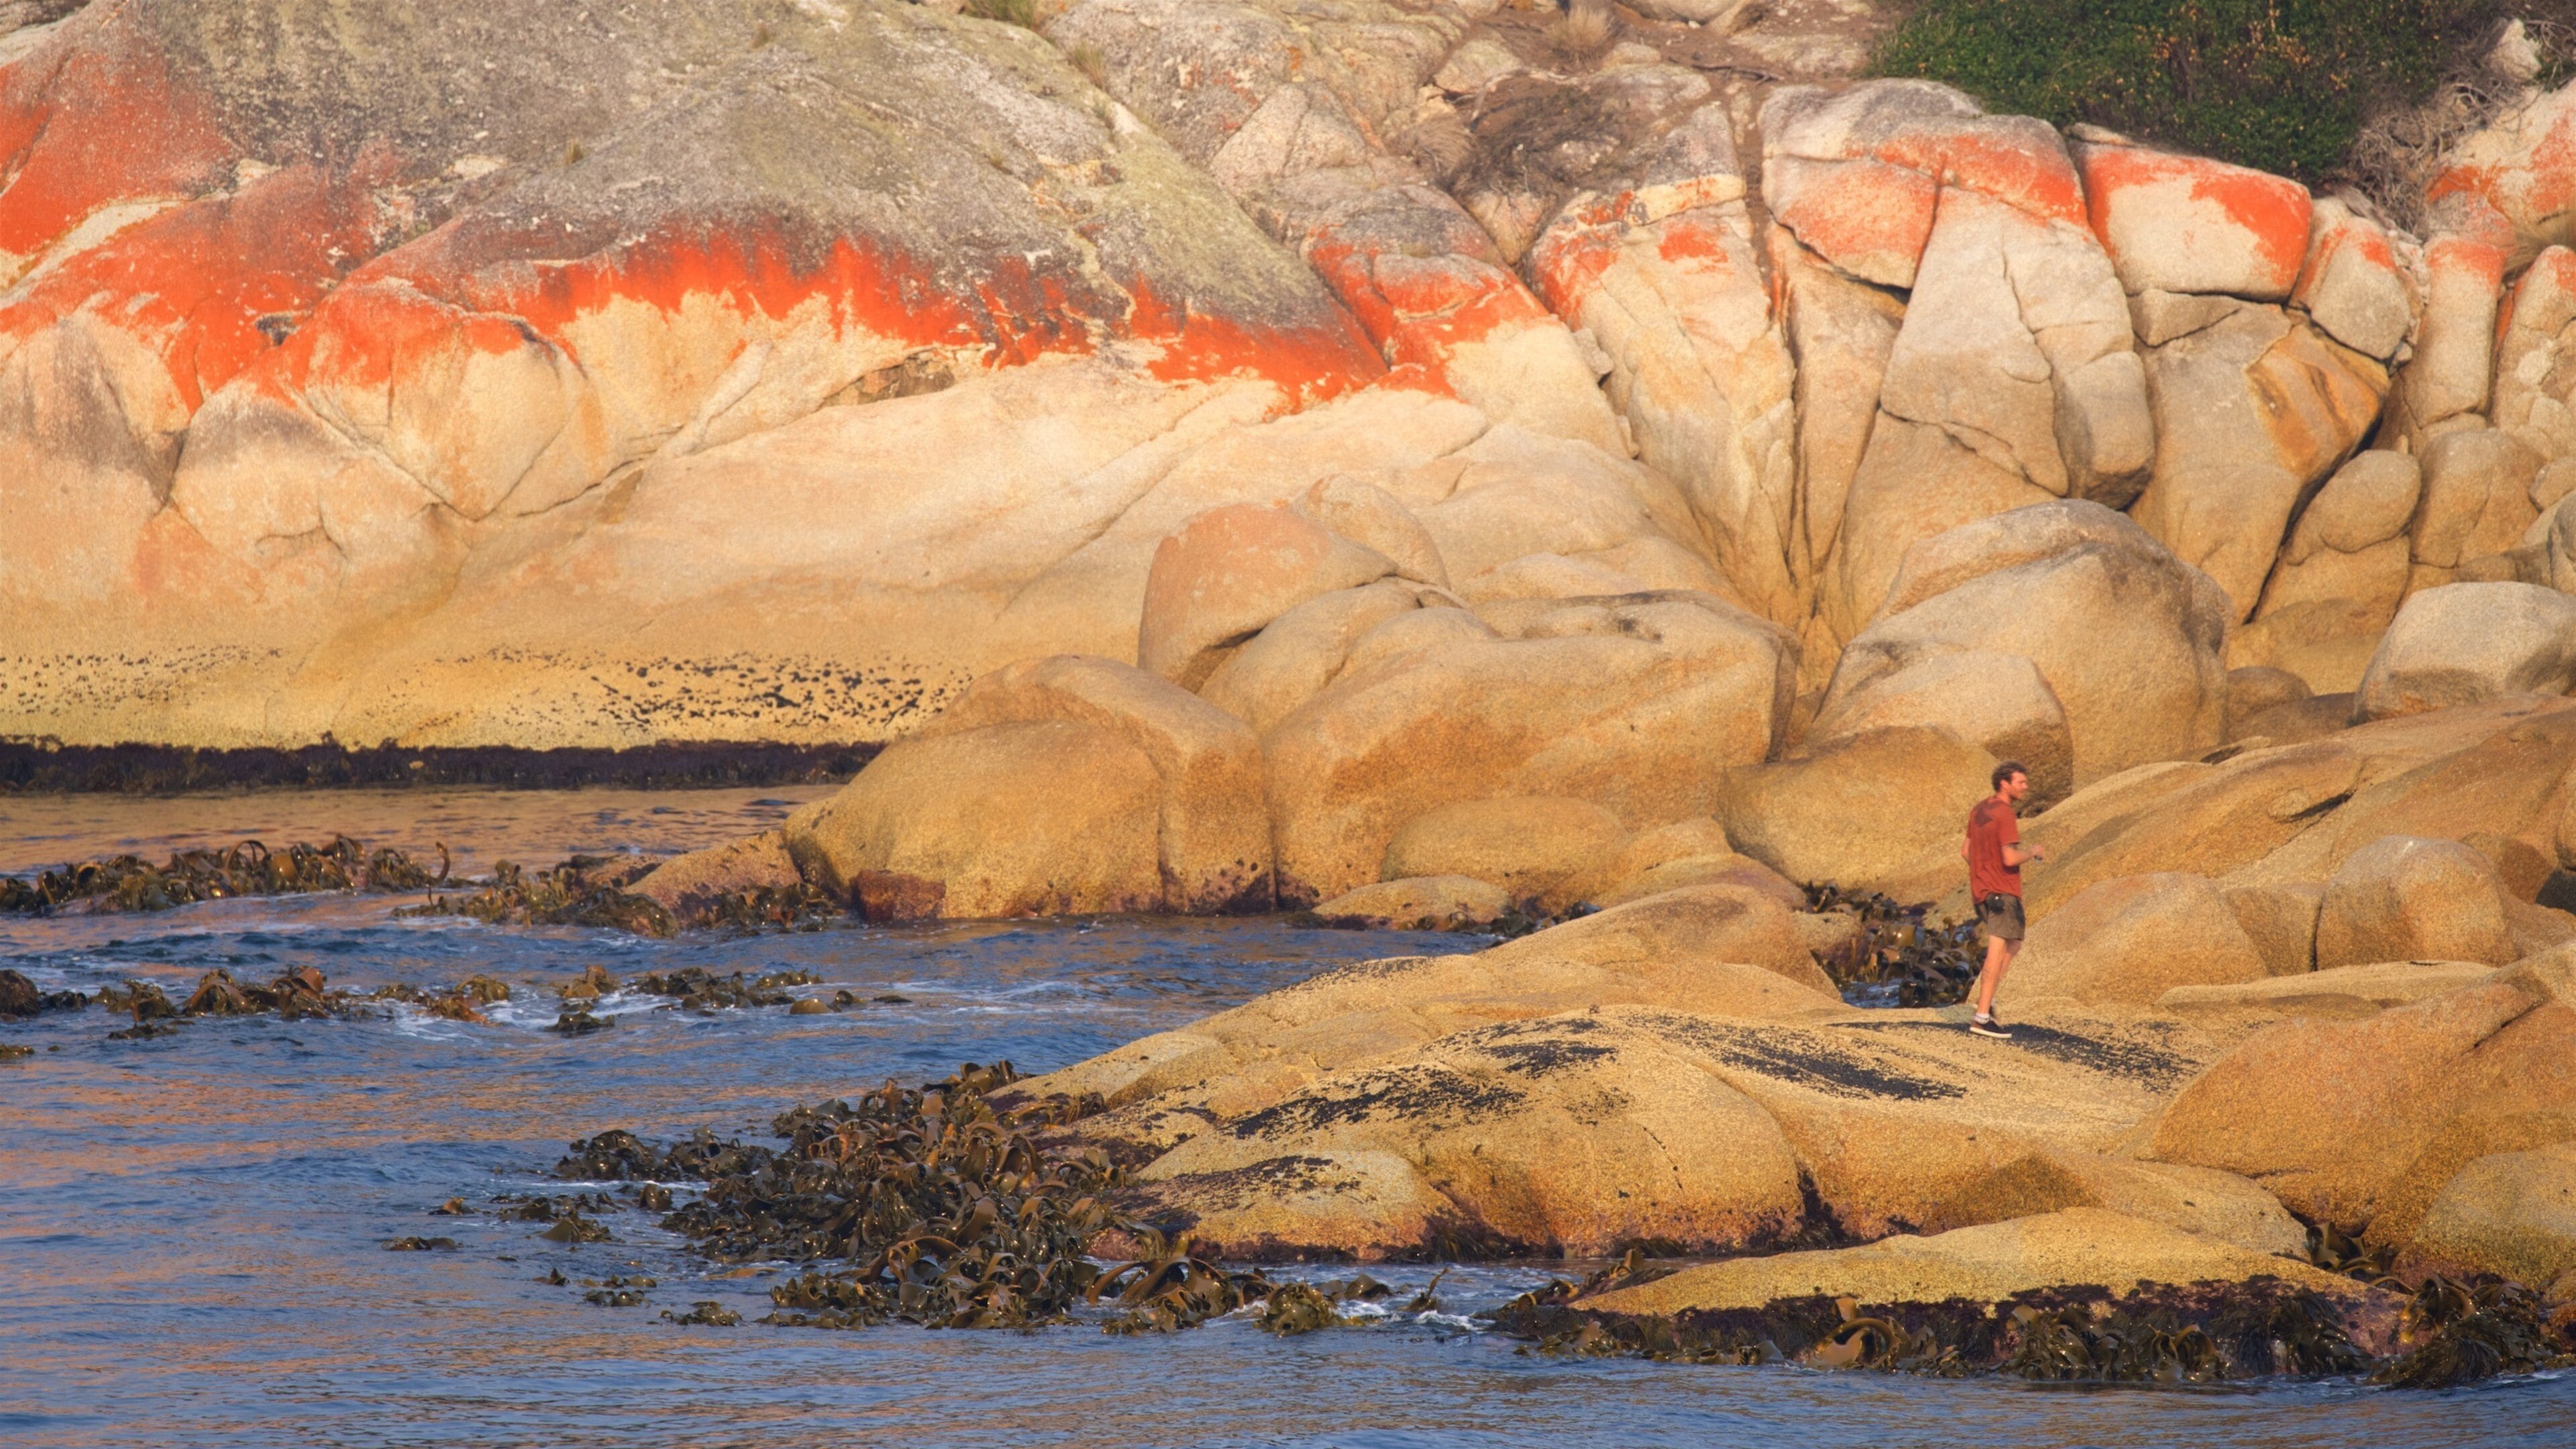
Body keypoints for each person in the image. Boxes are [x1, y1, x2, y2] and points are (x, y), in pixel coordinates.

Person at [1962, 759, 2041, 1039]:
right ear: (2004, 783)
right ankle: (1982, 1018)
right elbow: (2009, 857)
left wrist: (1984, 872)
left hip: (1982, 891)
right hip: (2002, 892)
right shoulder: (2005, 813)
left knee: (2015, 942)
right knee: (1995, 954)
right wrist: (2031, 852)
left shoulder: (1979, 809)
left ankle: (1988, 999)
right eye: (2021, 782)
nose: (2025, 786)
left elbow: (1965, 851)